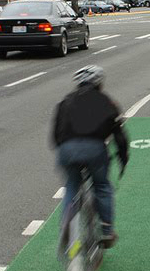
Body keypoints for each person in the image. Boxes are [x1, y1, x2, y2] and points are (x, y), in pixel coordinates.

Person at [52, 65, 129, 248]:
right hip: (94, 149)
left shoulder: (65, 101)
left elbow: (55, 134)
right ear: (99, 83)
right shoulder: (106, 102)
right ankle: (106, 229)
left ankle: (67, 224)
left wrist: (64, 151)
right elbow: (119, 134)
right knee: (101, 186)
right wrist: (122, 157)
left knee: (72, 185)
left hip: (67, 150)